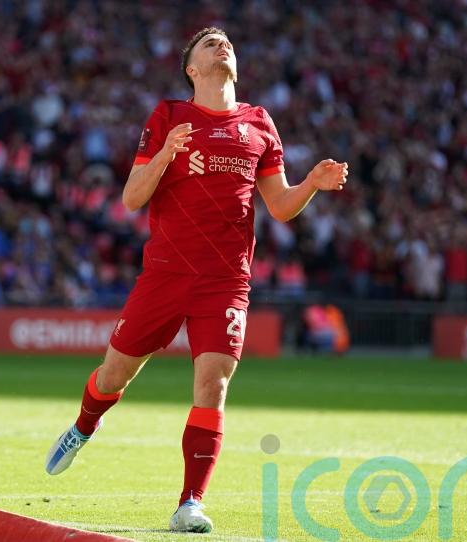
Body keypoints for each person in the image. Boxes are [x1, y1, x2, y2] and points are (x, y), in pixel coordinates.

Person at [44, 27, 347, 533]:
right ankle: (83, 426)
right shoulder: (169, 116)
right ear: (192, 68)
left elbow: (279, 206)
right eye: (209, 44)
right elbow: (131, 199)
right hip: (165, 274)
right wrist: (165, 154)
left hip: (226, 280)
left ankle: (189, 503)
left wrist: (310, 186)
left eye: (226, 41)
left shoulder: (259, 123)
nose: (222, 45)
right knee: (115, 374)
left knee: (213, 384)